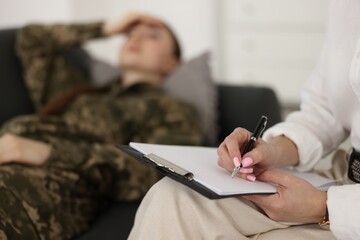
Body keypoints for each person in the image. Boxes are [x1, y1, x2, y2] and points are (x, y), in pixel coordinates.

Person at [129, 1, 360, 240]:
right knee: (174, 198)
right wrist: (272, 149)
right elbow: (324, 111)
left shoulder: (172, 109)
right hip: (344, 175)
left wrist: (324, 206)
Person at [0, 13, 202, 239]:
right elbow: (32, 38)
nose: (135, 39)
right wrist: (108, 28)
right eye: (130, 34)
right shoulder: (78, 91)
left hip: (56, 184)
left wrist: (48, 153)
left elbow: (158, 171)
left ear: (171, 63)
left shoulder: (172, 110)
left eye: (152, 36)